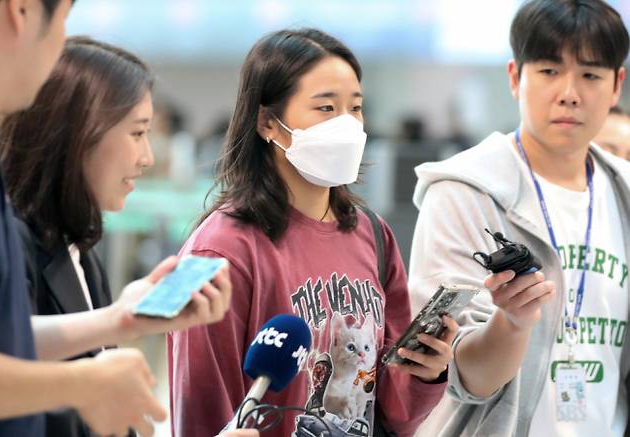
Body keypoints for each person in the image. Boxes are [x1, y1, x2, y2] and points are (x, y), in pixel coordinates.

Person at [168, 28, 459, 437]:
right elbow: (201, 411)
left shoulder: (373, 235)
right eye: (325, 108)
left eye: (355, 109)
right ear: (268, 122)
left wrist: (426, 373)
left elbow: (392, 409)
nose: (346, 126)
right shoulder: (220, 250)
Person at [0, 2, 242, 437]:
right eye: (138, 133)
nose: (147, 157)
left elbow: (5, 339)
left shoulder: (77, 247)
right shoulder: (13, 226)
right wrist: (84, 383)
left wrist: (121, 318)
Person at [408, 1, 629, 436]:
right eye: (549, 71)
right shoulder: (465, 192)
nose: (570, 92)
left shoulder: (623, 192)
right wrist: (510, 324)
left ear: (617, 83)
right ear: (515, 77)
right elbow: (459, 378)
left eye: (590, 75)